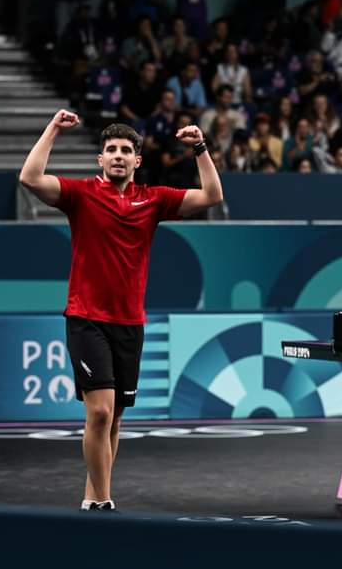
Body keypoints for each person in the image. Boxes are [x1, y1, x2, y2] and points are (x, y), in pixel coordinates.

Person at [18, 110, 222, 511]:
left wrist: (200, 147)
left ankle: (92, 497)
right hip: (86, 317)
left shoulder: (154, 200)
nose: (117, 155)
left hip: (130, 322)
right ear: (100, 159)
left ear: (136, 161)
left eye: (125, 150)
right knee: (99, 412)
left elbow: (212, 195)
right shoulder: (80, 195)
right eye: (110, 149)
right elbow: (29, 178)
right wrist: (53, 130)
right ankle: (106, 501)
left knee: (114, 421)